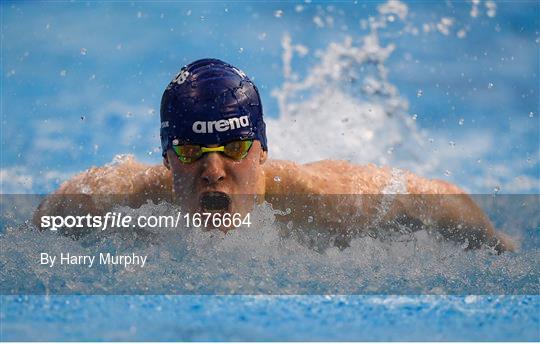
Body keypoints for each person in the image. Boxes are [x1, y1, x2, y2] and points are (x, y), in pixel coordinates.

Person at [34, 58, 515, 252]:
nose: (213, 172)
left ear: (262, 150)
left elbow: (443, 201)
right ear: (165, 158)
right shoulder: (107, 203)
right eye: (191, 151)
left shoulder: (325, 202)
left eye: (235, 147)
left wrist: (501, 248)